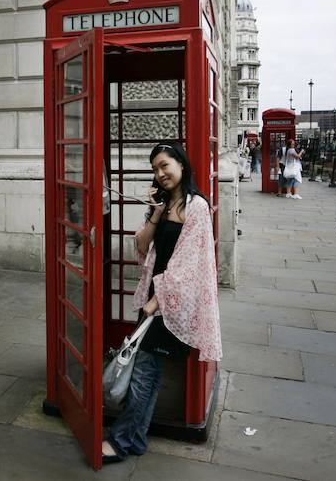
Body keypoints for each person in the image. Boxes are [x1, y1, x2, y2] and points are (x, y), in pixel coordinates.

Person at [101, 143, 221, 464]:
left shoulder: (196, 207)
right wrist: (154, 210)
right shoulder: (166, 205)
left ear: (182, 164)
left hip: (169, 305)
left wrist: (156, 302)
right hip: (155, 299)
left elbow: (188, 263)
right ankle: (136, 439)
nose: (161, 173)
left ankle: (121, 440)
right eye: (155, 168)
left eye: (165, 165)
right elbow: (140, 245)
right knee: (149, 376)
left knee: (141, 375)